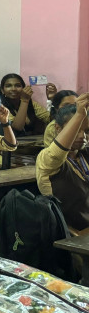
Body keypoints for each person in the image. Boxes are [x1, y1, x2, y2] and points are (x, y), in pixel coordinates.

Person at [36, 95, 89, 231]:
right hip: (70, 234)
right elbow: (57, 153)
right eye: (77, 129)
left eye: (87, 131)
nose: (82, 136)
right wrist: (79, 115)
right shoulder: (46, 158)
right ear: (58, 129)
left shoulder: (84, 154)